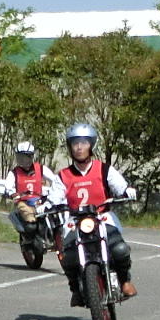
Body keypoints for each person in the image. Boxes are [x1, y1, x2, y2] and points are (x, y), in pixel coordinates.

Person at [48, 121, 135, 302]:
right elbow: (54, 197)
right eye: (75, 143)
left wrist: (126, 192)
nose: (79, 147)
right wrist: (48, 205)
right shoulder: (63, 175)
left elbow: (120, 186)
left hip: (102, 216)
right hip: (75, 220)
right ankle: (75, 289)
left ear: (91, 145)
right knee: (66, 255)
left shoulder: (104, 169)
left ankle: (125, 281)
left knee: (119, 248)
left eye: (84, 143)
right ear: (70, 147)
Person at [0, 140, 56, 239]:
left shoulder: (41, 169)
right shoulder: (14, 173)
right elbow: (8, 187)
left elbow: (55, 180)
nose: (21, 160)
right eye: (19, 157)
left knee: (56, 217)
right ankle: (29, 241)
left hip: (40, 201)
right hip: (23, 202)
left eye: (24, 157)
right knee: (31, 224)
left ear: (31, 157)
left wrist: (56, 190)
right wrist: (12, 193)